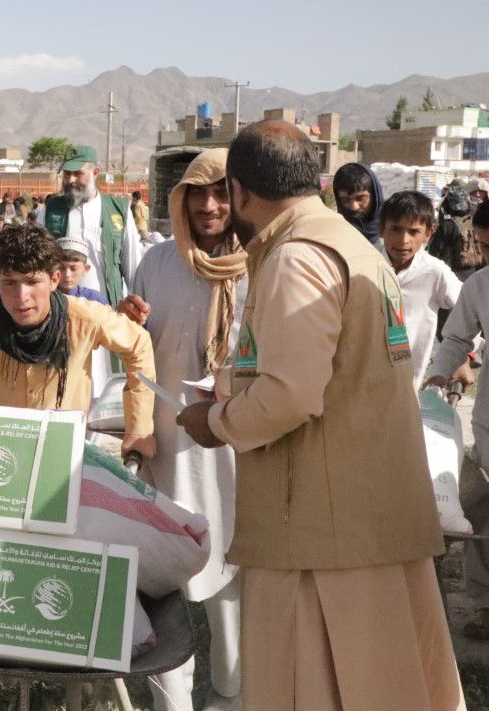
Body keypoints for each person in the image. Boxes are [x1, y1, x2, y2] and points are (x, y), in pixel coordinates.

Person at [177, 120, 463, 711]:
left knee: (318, 685)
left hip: (320, 532)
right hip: (367, 511)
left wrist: (219, 423)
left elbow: (291, 395)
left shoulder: (296, 257)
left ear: (239, 191)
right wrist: (236, 384)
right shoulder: (348, 243)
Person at [115, 148, 246, 711]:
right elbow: (137, 353)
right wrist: (129, 319)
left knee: (233, 578)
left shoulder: (262, 265)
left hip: (234, 449)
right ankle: (173, 699)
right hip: (168, 443)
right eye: (198, 193)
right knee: (162, 573)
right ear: (182, 199)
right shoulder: (158, 261)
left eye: (221, 193)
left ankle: (232, 693)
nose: (210, 205)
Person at [0, 223, 156, 461]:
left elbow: (138, 344)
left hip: (62, 454)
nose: (21, 297)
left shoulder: (84, 318)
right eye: (9, 282)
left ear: (54, 279)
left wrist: (139, 427)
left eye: (32, 282)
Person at [426, 200, 489, 643]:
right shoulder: (479, 286)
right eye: (485, 247)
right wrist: (436, 376)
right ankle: (485, 604)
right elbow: (457, 339)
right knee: (482, 512)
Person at [40, 145, 143, 306]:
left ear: (95, 173)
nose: (71, 180)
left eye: (78, 174)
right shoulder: (51, 209)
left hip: (106, 313)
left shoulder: (118, 210)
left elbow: (134, 269)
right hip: (60, 311)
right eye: (67, 174)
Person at [378, 190, 461, 387]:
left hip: (407, 385)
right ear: (381, 230)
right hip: (361, 382)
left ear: (428, 234)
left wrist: (463, 355)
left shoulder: (434, 272)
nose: (403, 240)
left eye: (413, 231)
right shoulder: (364, 266)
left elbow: (470, 310)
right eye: (396, 229)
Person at [429, 184, 480, 279]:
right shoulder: (475, 223)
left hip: (451, 274)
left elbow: (433, 254)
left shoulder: (446, 226)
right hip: (474, 272)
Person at [332, 162, 385, 248]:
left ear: (374, 196)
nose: (354, 207)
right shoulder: (334, 236)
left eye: (361, 198)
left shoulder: (393, 232)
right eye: (345, 200)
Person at [56, 237, 109, 305]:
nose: (67, 274)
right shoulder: (45, 297)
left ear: (86, 269)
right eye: (61, 268)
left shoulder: (96, 300)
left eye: (73, 269)